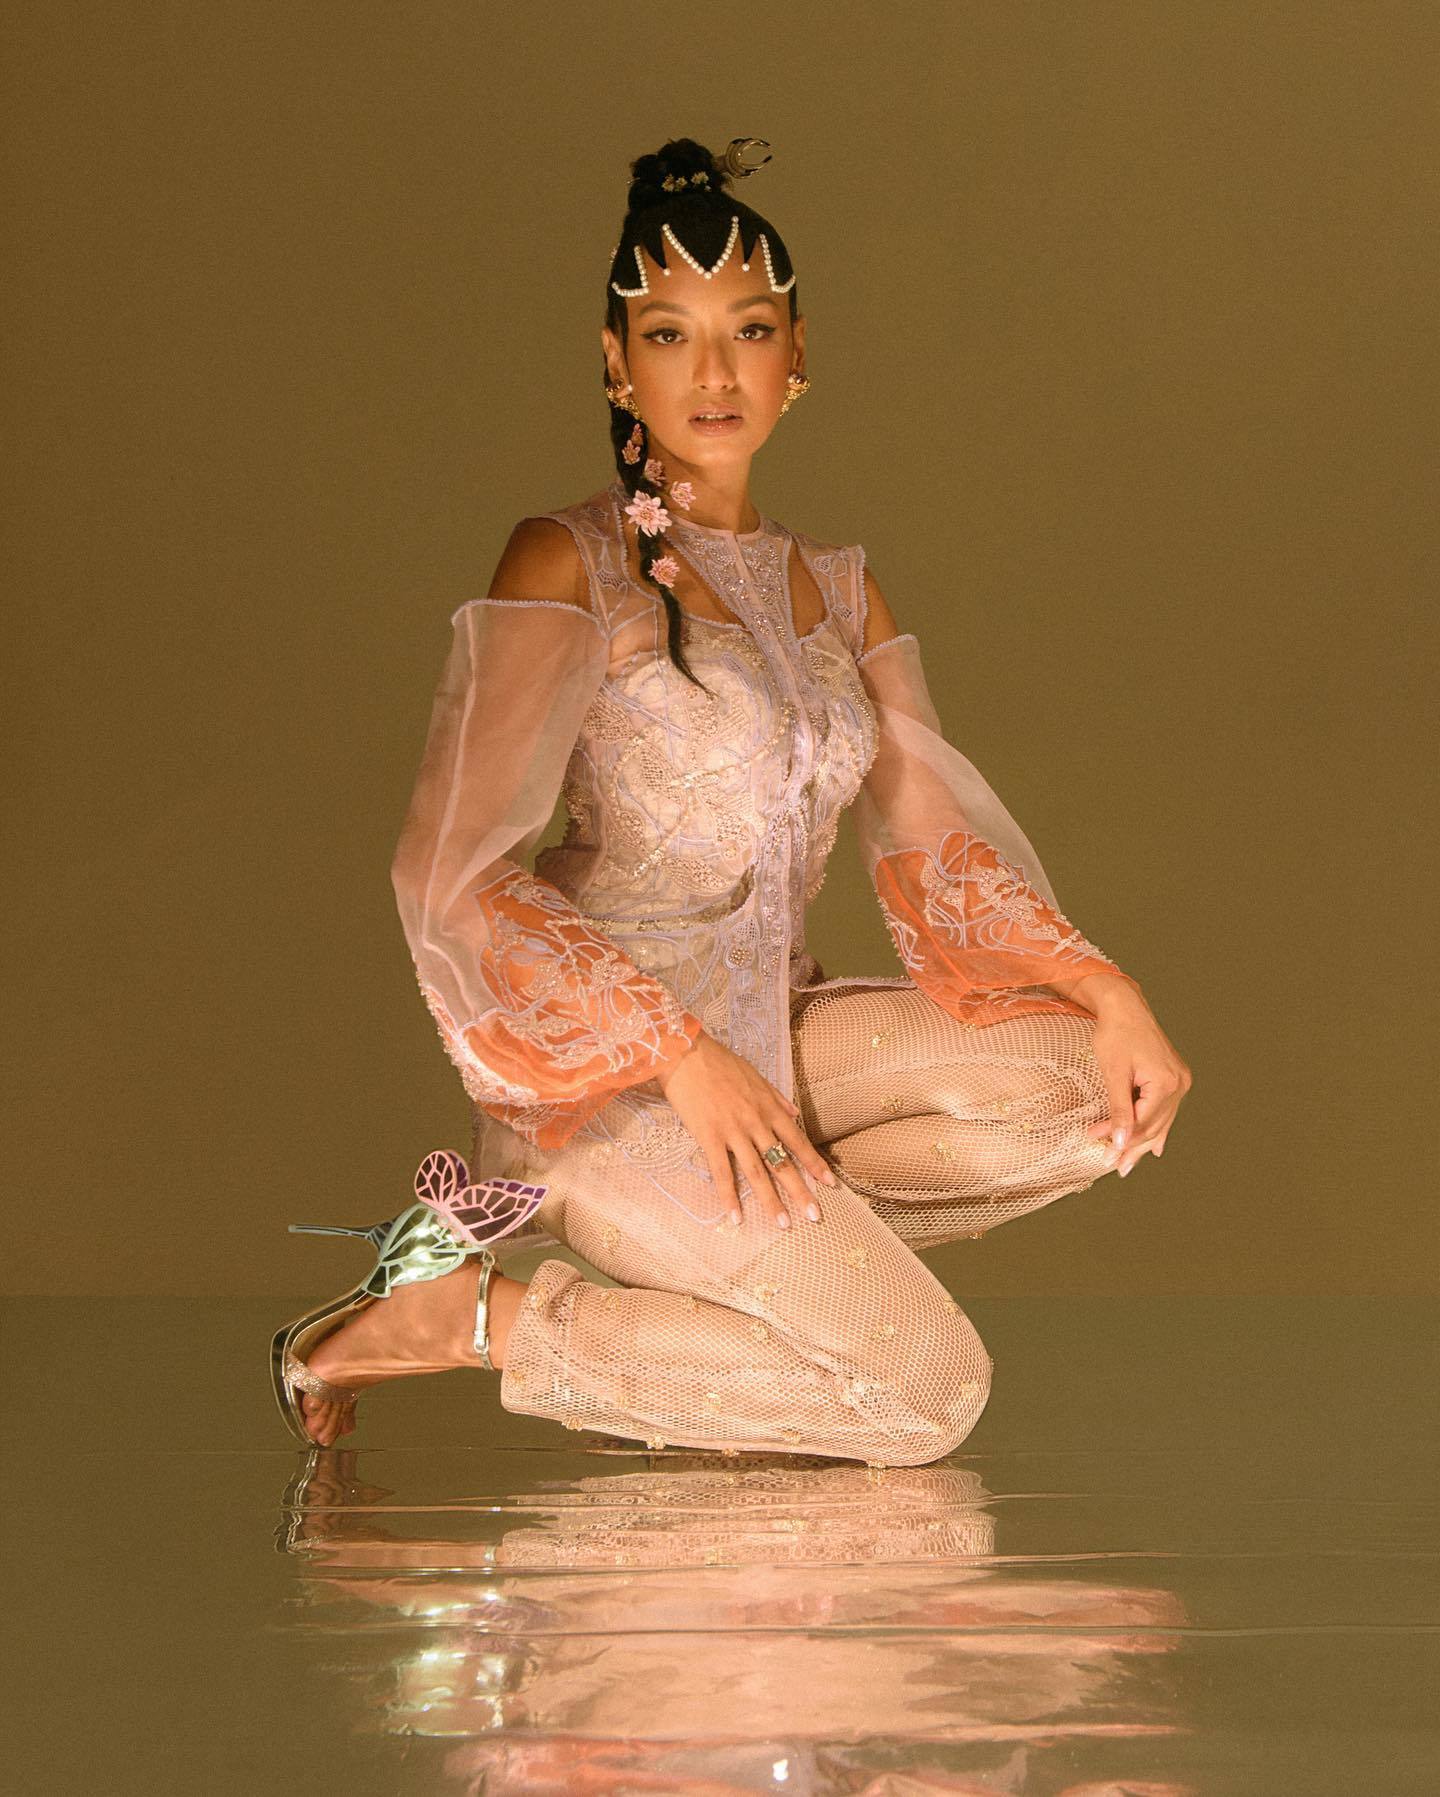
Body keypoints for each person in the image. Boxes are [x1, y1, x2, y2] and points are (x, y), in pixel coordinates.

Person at [275, 136, 1192, 1459]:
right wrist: (676, 1054)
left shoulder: (839, 587)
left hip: (785, 1043)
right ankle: (465, 1316)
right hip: (617, 1086)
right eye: (669, 335)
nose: (713, 373)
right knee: (929, 1393)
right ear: (617, 363)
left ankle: (780, 1241)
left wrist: (1110, 989)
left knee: (1078, 1080)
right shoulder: (569, 559)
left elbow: (932, 837)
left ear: (796, 353)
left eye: (749, 331)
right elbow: (452, 871)